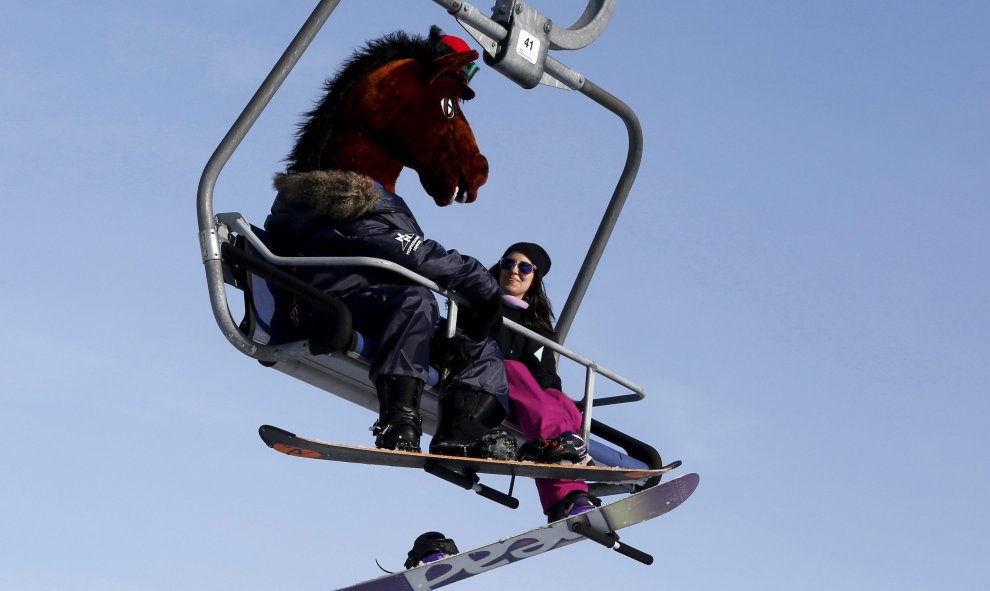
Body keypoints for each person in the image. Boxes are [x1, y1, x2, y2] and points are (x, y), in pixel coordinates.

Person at [490, 242, 602, 521]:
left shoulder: (537, 327)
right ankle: (564, 473)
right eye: (508, 264)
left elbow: (545, 372)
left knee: (562, 401)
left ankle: (570, 497)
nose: (514, 271)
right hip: (482, 372)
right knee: (515, 368)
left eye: (524, 267)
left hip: (517, 391)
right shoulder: (480, 298)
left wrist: (552, 393)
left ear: (534, 278)